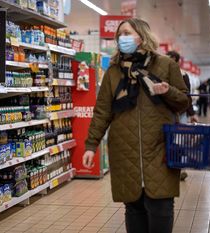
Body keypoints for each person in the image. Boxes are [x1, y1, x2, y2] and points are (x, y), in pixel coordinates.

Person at [82, 18, 189, 233]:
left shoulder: (166, 65)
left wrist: (167, 91)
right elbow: (102, 112)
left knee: (161, 208)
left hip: (160, 149)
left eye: (127, 33)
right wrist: (91, 146)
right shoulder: (113, 72)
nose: (122, 38)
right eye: (119, 34)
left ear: (141, 36)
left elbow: (184, 102)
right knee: (133, 210)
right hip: (125, 151)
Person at [166, 50, 197, 182]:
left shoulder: (183, 75)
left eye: (173, 60)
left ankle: (180, 169)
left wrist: (191, 113)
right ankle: (170, 168)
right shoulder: (162, 73)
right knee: (168, 140)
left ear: (177, 62)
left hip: (181, 113)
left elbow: (186, 96)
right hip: (166, 112)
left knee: (180, 141)